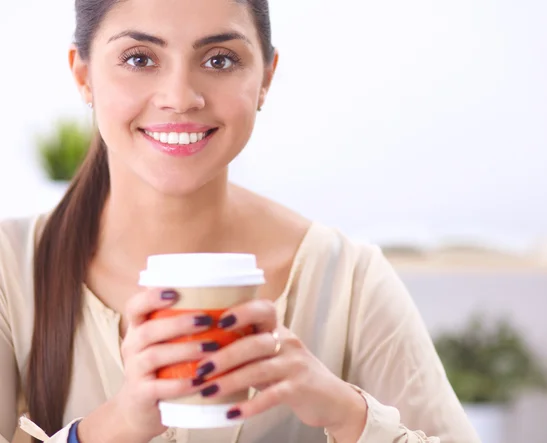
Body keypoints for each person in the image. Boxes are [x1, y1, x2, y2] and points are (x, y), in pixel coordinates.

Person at [0, 1, 480, 442]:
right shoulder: (9, 270)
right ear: (83, 74)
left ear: (266, 77)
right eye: (140, 58)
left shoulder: (348, 280)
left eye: (220, 60)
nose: (180, 97)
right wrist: (120, 422)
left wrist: (346, 412)